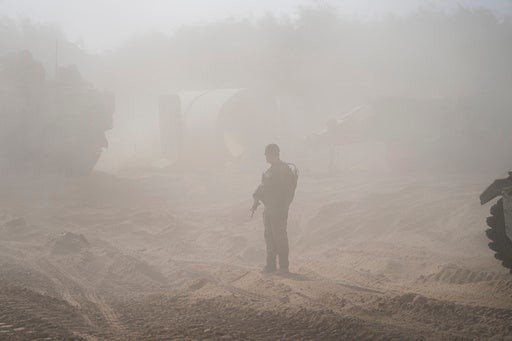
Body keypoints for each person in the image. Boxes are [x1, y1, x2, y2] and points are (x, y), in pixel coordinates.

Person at [251, 144, 298, 273]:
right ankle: (270, 266)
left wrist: (283, 209)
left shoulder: (284, 170)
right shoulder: (270, 171)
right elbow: (263, 187)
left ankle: (283, 267)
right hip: (269, 209)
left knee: (280, 237)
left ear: (273, 154)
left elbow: (289, 192)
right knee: (269, 237)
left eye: (267, 154)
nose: (265, 156)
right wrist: (256, 200)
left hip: (278, 210)